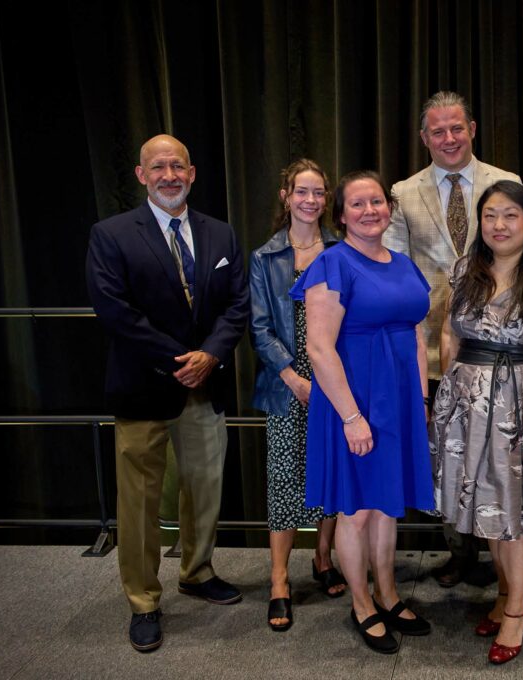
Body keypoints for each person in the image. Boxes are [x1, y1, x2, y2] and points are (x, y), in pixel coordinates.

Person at [85, 134, 249, 652]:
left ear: (193, 172)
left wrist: (212, 355)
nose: (169, 175)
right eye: (158, 166)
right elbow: (114, 312)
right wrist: (180, 359)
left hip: (206, 385)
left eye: (177, 165)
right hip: (143, 388)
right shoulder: (110, 235)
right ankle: (143, 600)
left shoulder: (220, 234)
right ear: (141, 175)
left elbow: (238, 306)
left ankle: (197, 572)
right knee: (138, 503)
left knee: (204, 489)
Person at [431, 181, 523, 664]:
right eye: (491, 215)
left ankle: (516, 611)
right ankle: (503, 596)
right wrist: (446, 393)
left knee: (513, 516)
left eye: (510, 216)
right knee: (487, 513)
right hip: (467, 405)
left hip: (522, 406)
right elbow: (449, 334)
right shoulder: (464, 270)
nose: (499, 225)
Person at [292, 170, 434, 654]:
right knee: (356, 511)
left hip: (399, 402)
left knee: (386, 506)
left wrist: (420, 401)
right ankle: (361, 603)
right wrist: (352, 417)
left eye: (377, 201)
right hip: (353, 402)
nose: (369, 210)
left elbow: (416, 336)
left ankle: (388, 593)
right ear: (341, 214)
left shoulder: (403, 263)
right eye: (357, 204)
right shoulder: (332, 264)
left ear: (389, 209)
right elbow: (319, 348)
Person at [384, 91, 521, 587]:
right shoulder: (401, 193)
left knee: (497, 454)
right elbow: (396, 270)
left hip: (499, 348)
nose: (448, 138)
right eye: (437, 131)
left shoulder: (507, 184)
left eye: (456, 128)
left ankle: (504, 553)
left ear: (473, 129)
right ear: (424, 138)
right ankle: (460, 552)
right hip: (432, 350)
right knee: (448, 455)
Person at [250, 159, 347, 632]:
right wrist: (295, 379)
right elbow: (260, 328)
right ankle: (279, 580)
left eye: (319, 193)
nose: (311, 200)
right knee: (285, 478)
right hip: (288, 383)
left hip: (334, 378)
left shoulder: (341, 251)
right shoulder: (264, 257)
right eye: (302, 191)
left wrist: (328, 381)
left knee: (330, 473)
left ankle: (323, 556)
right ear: (286, 195)